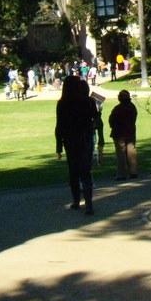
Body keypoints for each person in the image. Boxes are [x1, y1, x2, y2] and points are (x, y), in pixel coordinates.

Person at [55, 75, 95, 215]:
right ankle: (89, 204)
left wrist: (59, 145)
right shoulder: (88, 101)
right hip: (85, 138)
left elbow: (59, 125)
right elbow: (95, 118)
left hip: (70, 140)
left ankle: (76, 200)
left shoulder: (63, 103)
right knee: (86, 172)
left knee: (73, 172)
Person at [108, 89, 138, 180]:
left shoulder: (117, 109)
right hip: (130, 131)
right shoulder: (132, 107)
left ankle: (122, 173)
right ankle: (133, 171)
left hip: (119, 132)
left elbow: (111, 120)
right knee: (131, 152)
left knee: (121, 153)